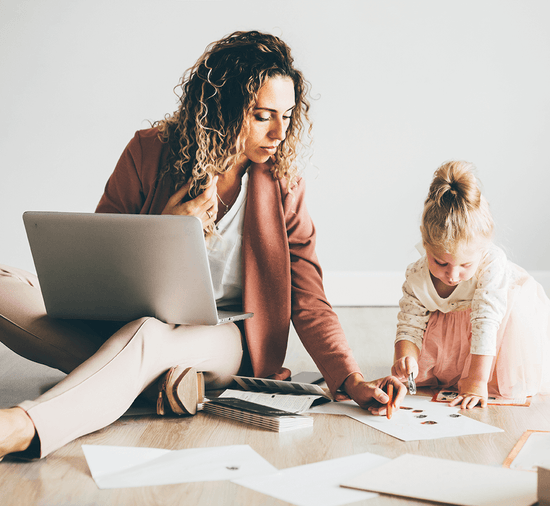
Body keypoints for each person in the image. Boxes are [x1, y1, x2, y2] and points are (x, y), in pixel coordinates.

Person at [0, 30, 405, 460]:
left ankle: (23, 427)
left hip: (224, 337)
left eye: (287, 116)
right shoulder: (149, 152)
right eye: (263, 115)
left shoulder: (284, 184)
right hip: (129, 319)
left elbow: (308, 297)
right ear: (224, 107)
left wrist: (351, 377)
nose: (279, 133)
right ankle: (158, 382)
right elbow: (102, 258)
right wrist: (164, 229)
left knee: (148, 336)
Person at [392, 160, 550, 409]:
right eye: (441, 262)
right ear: (425, 244)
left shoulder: (491, 262)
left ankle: (478, 371)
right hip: (453, 327)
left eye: (465, 265)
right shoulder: (417, 275)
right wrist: (405, 357)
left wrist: (477, 381)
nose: (452, 275)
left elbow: (486, 323)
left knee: (497, 363)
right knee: (414, 370)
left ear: (483, 249)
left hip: (498, 324)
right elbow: (409, 326)